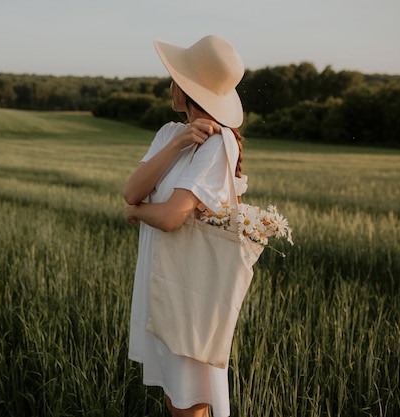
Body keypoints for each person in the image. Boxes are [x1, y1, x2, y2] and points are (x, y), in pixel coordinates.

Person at [123, 35, 248, 417]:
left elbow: (171, 217)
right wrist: (177, 143)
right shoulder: (168, 134)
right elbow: (132, 190)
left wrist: (138, 214)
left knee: (188, 404)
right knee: (174, 396)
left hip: (190, 291)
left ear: (188, 89)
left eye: (175, 77)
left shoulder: (218, 144)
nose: (169, 84)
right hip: (163, 280)